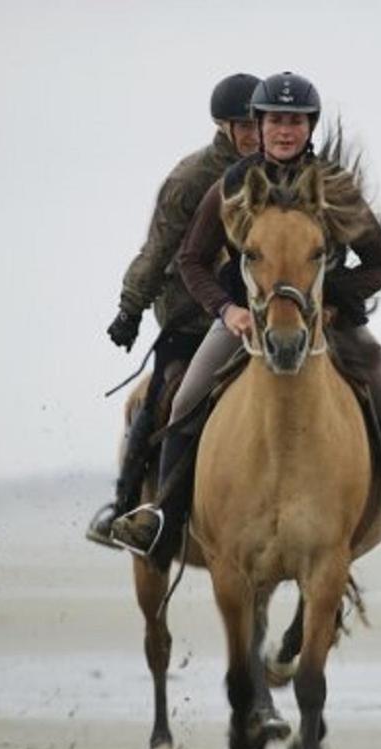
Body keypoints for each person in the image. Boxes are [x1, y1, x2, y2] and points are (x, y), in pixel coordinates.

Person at [112, 71, 381, 568]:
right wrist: (227, 308)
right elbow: (192, 260)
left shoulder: (337, 188)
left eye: (296, 121)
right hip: (248, 320)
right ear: (257, 125)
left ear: (310, 127)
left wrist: (335, 302)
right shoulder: (230, 187)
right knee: (187, 396)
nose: (285, 130)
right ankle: (164, 518)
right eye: (276, 120)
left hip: (327, 321)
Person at [88, 73, 263, 546]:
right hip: (192, 310)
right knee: (166, 390)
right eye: (242, 125)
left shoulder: (278, 173)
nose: (253, 133)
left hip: (263, 311)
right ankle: (129, 508)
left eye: (258, 124)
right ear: (223, 127)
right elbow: (159, 248)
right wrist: (130, 309)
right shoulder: (191, 180)